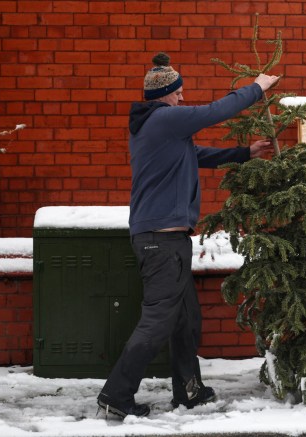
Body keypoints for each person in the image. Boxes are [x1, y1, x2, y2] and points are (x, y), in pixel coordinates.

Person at [97, 52, 278, 419]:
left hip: (167, 238)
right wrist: (257, 88)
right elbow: (213, 111)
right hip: (160, 239)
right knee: (158, 320)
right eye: (178, 92)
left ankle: (189, 391)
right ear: (165, 94)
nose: (182, 98)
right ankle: (116, 395)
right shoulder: (164, 119)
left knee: (185, 319)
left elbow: (199, 155)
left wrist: (244, 153)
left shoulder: (159, 129)